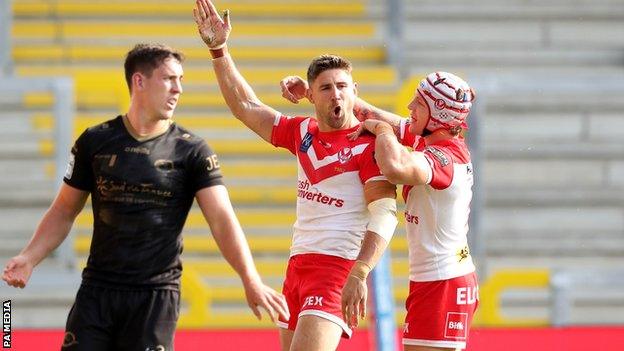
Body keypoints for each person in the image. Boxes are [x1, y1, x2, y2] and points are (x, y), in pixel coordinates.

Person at [1, 43, 288, 351]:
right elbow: (63, 211)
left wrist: (250, 278)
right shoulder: (95, 141)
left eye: (181, 80)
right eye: (169, 79)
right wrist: (30, 257)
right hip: (97, 292)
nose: (178, 89)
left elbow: (221, 218)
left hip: (155, 297)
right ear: (139, 81)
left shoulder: (192, 151)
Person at [193, 1, 399, 350]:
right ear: (310, 96)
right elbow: (245, 107)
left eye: (343, 86)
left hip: (337, 269)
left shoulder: (370, 144)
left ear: (354, 91)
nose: (336, 94)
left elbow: (385, 212)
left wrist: (361, 271)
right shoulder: (302, 131)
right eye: (326, 87)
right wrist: (219, 50)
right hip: (298, 265)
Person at [281, 72, 479, 351]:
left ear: (438, 115)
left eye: (419, 104)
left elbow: (393, 166)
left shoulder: (445, 159)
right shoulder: (431, 139)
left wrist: (383, 132)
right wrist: (314, 94)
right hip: (432, 280)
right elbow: (371, 113)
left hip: (443, 283)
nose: (410, 107)